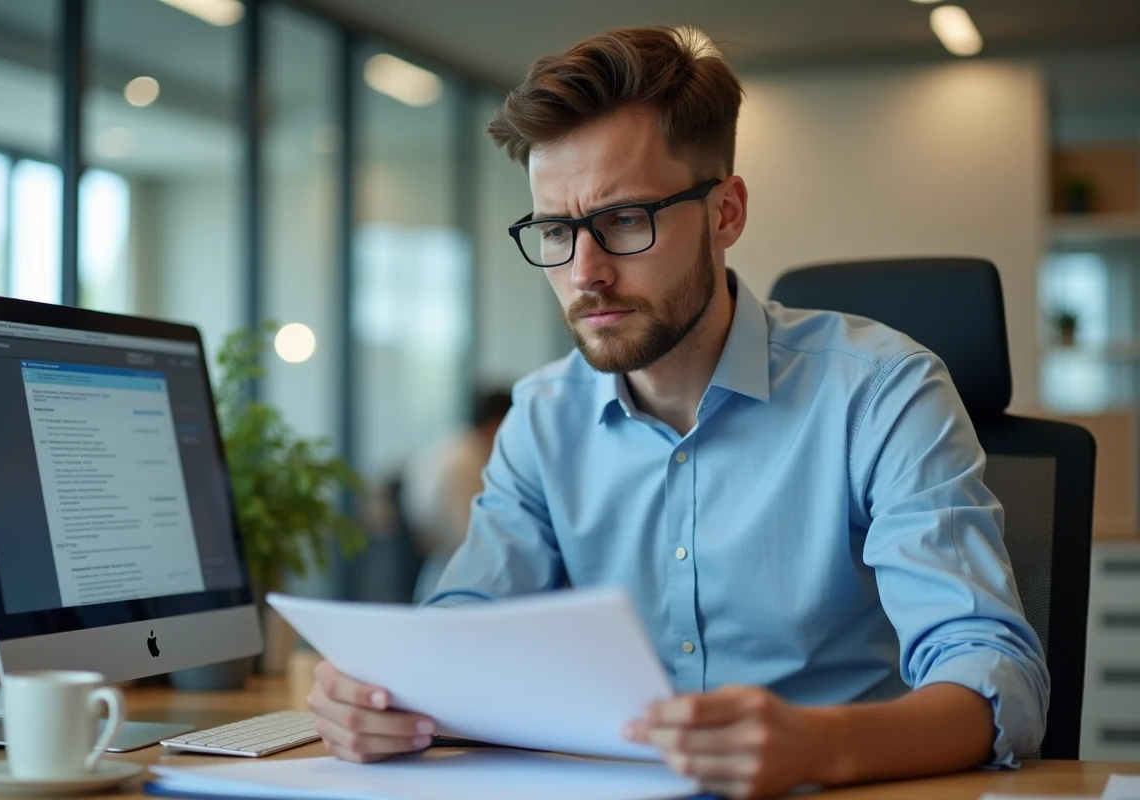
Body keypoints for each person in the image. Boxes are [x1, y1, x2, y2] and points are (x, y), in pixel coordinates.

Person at [308, 26, 1048, 799]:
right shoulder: (541, 418)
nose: (585, 273)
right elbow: (463, 629)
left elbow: (993, 671)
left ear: (726, 213)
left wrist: (813, 746)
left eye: (625, 220)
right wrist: (381, 696)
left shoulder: (882, 391)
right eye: (556, 232)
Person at [399, 389, 513, 603]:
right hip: (448, 566)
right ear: (497, 423)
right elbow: (471, 538)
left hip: (430, 561)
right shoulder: (467, 464)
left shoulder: (452, 443)